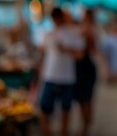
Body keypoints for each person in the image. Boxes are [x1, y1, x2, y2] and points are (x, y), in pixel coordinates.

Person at [38, 7, 84, 136]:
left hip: (66, 77)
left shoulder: (73, 33)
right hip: (50, 76)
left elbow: (80, 55)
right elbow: (42, 52)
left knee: (65, 110)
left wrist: (65, 49)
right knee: (45, 109)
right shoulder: (49, 34)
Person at [73, 9, 98, 136]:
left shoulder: (88, 30)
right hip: (85, 67)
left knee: (85, 100)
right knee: (85, 100)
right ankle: (86, 126)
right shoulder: (89, 29)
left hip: (84, 68)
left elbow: (88, 51)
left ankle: (86, 127)